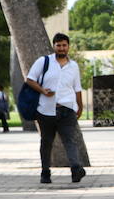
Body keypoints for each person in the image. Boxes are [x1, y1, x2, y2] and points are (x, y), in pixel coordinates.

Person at [25, 33, 86, 184]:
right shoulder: (43, 62)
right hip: (46, 110)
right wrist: (43, 91)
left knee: (69, 140)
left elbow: (77, 88)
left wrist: (80, 106)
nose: (61, 48)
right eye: (58, 45)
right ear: (54, 46)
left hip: (67, 109)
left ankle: (76, 170)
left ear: (68, 47)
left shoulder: (73, 66)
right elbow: (30, 79)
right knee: (46, 142)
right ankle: (45, 172)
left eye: (64, 45)